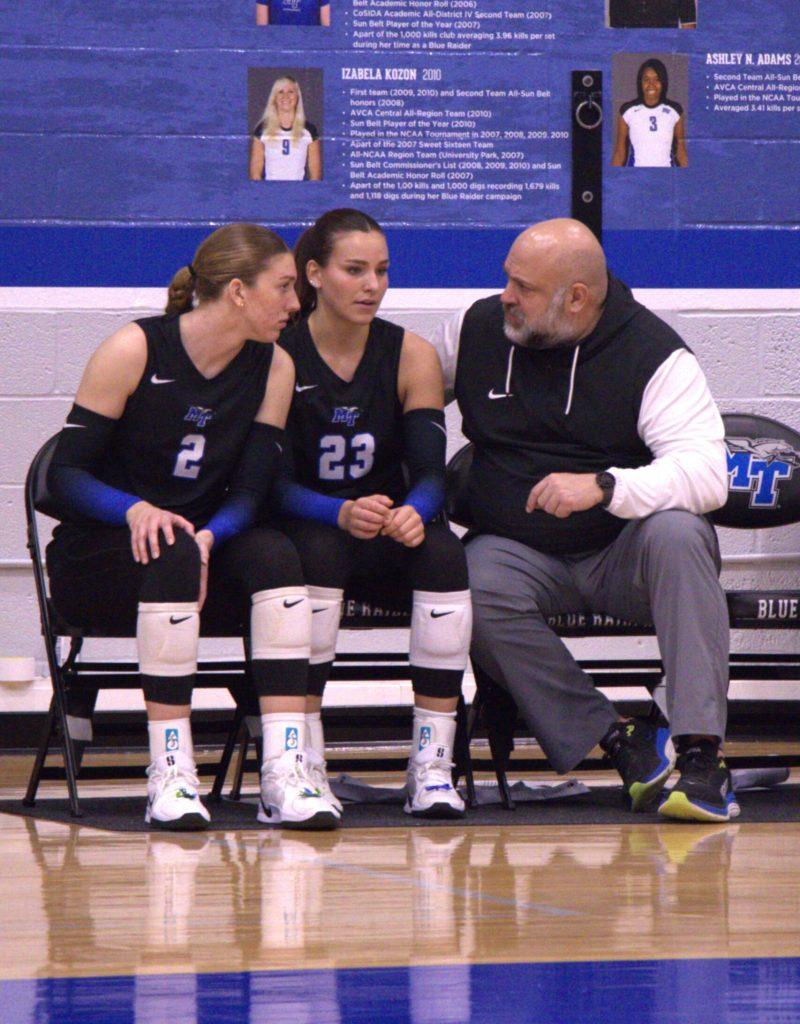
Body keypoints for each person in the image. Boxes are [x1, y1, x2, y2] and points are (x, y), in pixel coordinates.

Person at [435, 218, 737, 823]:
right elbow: (404, 398)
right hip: (518, 553)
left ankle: (702, 757)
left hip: (622, 552)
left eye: (523, 287)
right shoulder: (476, 329)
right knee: (465, 580)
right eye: (506, 279)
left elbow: (709, 475)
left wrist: (605, 487)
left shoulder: (654, 352)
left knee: (682, 533)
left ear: (575, 298)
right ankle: (619, 740)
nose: (506, 297)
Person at [45, 223, 339, 832]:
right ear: (237, 291)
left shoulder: (274, 367)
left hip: (201, 551)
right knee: (173, 549)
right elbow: (63, 478)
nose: (295, 303)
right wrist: (135, 510)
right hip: (100, 553)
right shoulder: (135, 348)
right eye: (284, 287)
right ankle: (172, 774)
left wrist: (211, 535)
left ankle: (286, 773)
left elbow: (252, 491)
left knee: (277, 556)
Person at [273, 207, 472, 820]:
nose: (372, 285)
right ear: (314, 274)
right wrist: (334, 512)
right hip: (310, 526)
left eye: (382, 271)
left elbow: (432, 474)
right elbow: (262, 483)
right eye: (354, 270)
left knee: (442, 550)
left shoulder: (409, 353)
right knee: (318, 550)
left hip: (384, 529)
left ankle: (430, 765)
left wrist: (415, 510)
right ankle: (304, 763)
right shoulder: (279, 354)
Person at [611, 59, 688, 168]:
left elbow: (681, 153)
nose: (651, 84)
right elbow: (620, 154)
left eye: (657, 79)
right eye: (646, 79)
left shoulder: (675, 110)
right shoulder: (627, 111)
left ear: (663, 82)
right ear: (640, 83)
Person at [249, 76, 322, 182]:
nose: (286, 96)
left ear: (297, 97)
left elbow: (316, 177)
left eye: (291, 92)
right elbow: (255, 175)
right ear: (274, 97)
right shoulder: (262, 130)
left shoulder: (309, 131)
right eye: (280, 92)